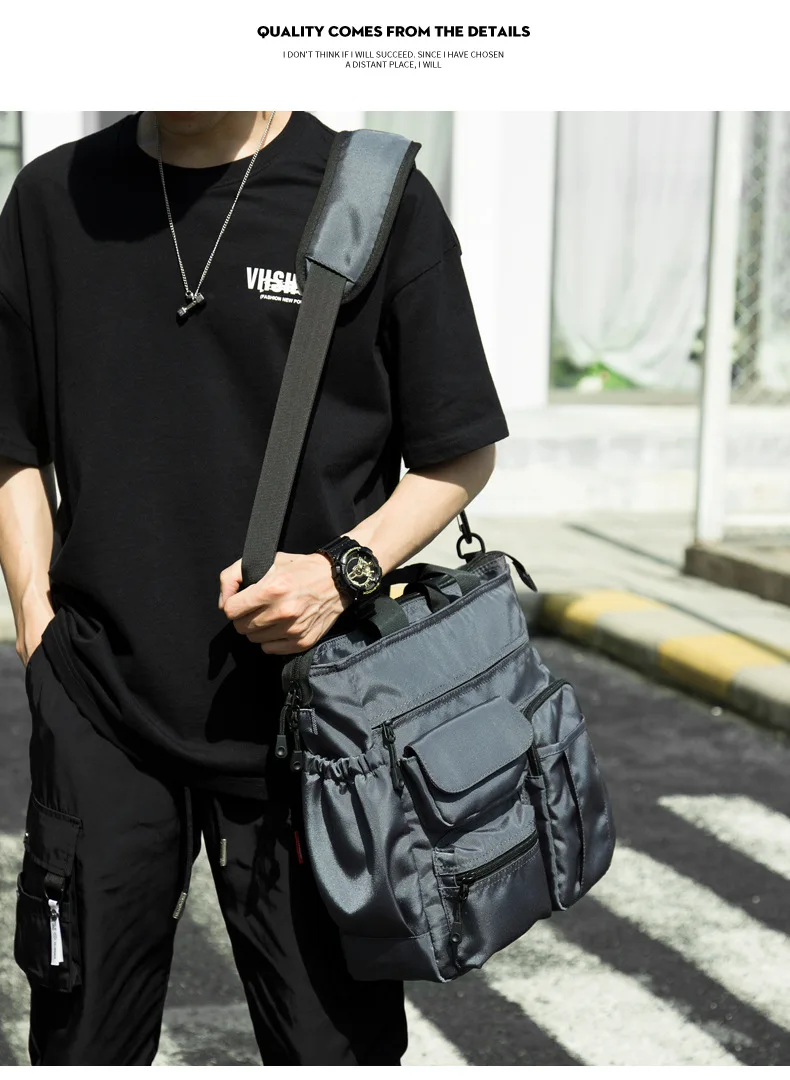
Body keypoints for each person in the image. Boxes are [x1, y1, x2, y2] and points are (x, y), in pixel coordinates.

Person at [0, 110, 509, 1066]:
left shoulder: (370, 196)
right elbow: (10, 441)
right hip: (101, 706)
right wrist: (35, 622)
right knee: (79, 1046)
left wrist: (342, 574)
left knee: (334, 1049)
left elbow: (459, 449)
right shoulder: (52, 199)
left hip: (316, 721)